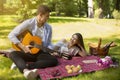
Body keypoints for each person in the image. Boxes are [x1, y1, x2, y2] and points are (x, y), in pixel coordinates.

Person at [8, 5, 58, 80]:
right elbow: (11, 35)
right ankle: (26, 71)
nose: (48, 18)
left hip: (40, 52)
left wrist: (51, 50)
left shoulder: (48, 28)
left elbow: (48, 43)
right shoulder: (28, 23)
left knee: (54, 60)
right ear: (40, 15)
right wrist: (23, 47)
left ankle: (26, 66)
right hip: (27, 51)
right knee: (12, 54)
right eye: (47, 16)